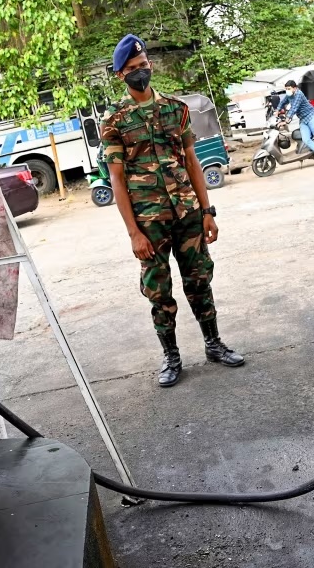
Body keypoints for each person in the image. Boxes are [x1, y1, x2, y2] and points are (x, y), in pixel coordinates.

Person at [100, 34, 244, 388]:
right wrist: (133, 232)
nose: (140, 72)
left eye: (143, 65)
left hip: (188, 214)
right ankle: (172, 357)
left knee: (199, 281)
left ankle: (213, 343)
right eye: (132, 69)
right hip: (149, 223)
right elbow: (117, 180)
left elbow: (193, 162)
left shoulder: (176, 109)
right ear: (121, 75)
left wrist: (207, 210)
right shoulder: (115, 120)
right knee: (159, 292)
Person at [276, 79, 314, 167]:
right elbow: (283, 102)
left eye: (289, 88)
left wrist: (286, 120)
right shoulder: (289, 95)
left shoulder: (299, 94)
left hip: (311, 116)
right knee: (306, 139)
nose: (287, 91)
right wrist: (277, 110)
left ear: (295, 88)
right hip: (303, 119)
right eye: (286, 89)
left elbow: (294, 108)